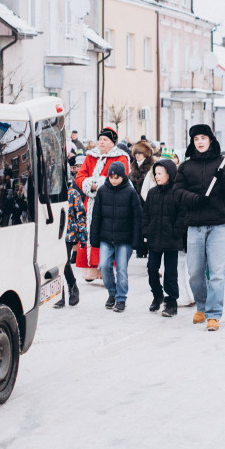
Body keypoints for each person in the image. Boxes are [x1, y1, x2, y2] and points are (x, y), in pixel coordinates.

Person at [173, 124, 225, 331]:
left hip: (219, 224)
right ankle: (201, 306)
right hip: (195, 225)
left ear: (210, 139)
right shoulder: (186, 166)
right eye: (196, 139)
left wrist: (222, 177)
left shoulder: (224, 163)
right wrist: (195, 199)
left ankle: (213, 314)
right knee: (194, 272)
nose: (200, 142)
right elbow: (177, 192)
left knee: (217, 272)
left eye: (203, 137)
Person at [75, 127, 130, 281]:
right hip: (91, 203)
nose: (101, 142)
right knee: (90, 234)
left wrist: (97, 184)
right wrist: (90, 185)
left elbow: (120, 177)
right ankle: (91, 271)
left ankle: (107, 272)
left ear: (112, 142)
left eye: (105, 140)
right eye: (100, 139)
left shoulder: (121, 158)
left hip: (112, 203)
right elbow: (80, 177)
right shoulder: (90, 156)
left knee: (107, 235)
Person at [89, 162, 143, 313]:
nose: (113, 180)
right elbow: (96, 216)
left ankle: (121, 298)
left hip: (124, 239)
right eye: (111, 177)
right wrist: (94, 237)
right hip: (106, 237)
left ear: (123, 176)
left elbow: (138, 217)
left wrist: (136, 240)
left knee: (122, 269)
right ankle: (112, 293)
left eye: (117, 177)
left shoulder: (131, 193)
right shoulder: (102, 191)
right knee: (104, 266)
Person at [142, 159, 185, 317]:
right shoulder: (152, 193)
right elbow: (145, 214)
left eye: (160, 173)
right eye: (155, 173)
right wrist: (146, 231)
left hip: (172, 239)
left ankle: (171, 301)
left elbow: (182, 215)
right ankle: (157, 295)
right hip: (155, 238)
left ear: (169, 174)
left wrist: (176, 231)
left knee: (170, 272)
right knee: (152, 269)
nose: (157, 176)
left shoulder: (176, 192)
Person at [54, 157, 85, 309]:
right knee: (56, 262)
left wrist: (83, 235)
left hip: (68, 233)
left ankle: (72, 285)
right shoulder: (52, 192)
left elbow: (80, 215)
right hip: (53, 231)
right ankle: (61, 294)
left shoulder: (73, 193)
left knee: (64, 262)